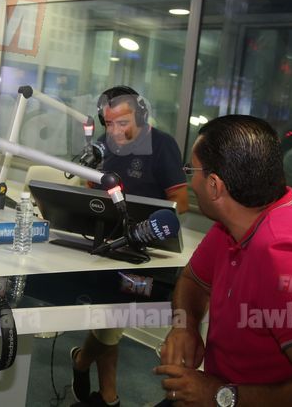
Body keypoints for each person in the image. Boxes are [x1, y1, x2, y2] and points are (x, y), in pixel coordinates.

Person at [154, 115, 292, 406]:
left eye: (191, 170)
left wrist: (219, 395)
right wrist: (185, 326)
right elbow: (193, 280)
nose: (190, 181)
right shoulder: (234, 226)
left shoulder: (284, 257)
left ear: (214, 185)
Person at [71, 86, 189, 407]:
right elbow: (91, 192)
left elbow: (180, 202)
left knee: (113, 318)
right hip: (107, 243)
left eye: (122, 122)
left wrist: (143, 226)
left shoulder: (162, 145)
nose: (114, 131)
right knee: (111, 317)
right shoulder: (104, 146)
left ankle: (82, 361)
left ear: (141, 115)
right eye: (108, 123)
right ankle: (108, 397)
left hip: (146, 250)